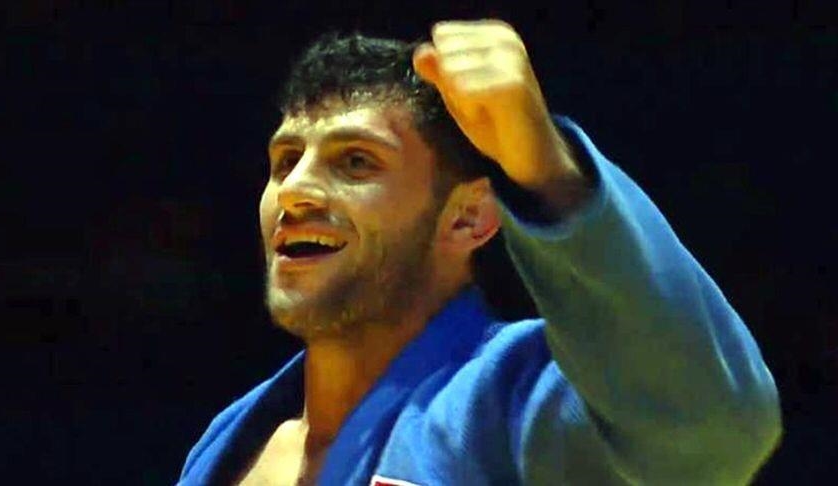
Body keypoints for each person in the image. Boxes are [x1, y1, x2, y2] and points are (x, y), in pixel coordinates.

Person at [178, 20, 781, 485]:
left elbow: (713, 432)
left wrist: (547, 163)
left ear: (468, 217)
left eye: (356, 161)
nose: (295, 189)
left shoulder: (518, 405)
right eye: (285, 160)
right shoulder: (231, 443)